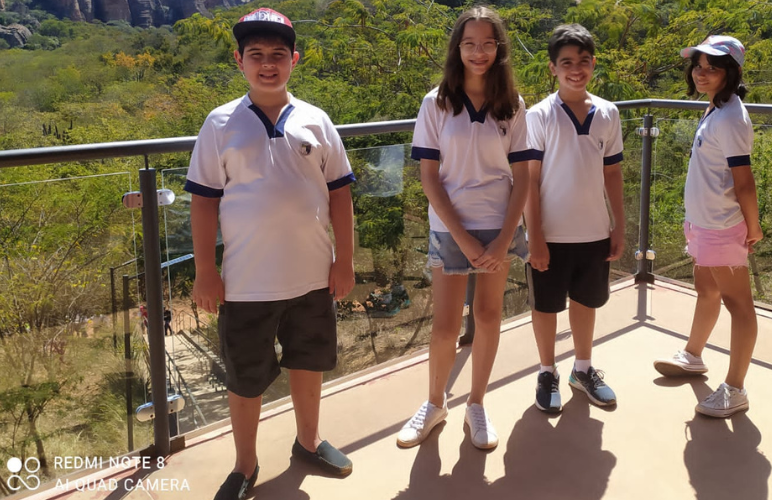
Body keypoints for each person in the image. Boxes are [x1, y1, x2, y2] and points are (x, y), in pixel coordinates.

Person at [185, 8, 356, 499]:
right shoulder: (220, 123)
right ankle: (245, 465)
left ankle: (309, 441)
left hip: (312, 276)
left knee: (308, 362)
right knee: (246, 377)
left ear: (294, 60)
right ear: (238, 60)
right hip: (246, 282)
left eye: (278, 54)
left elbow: (340, 194)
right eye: (255, 54)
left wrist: (344, 261)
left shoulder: (316, 120)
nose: (267, 64)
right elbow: (204, 201)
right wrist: (205, 272)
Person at [396, 6, 534, 451]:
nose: (479, 52)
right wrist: (461, 236)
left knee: (489, 316)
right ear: (457, 48)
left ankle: (477, 403)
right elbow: (429, 177)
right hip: (450, 228)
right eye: (470, 43)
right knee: (445, 324)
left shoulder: (512, 104)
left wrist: (504, 237)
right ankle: (435, 403)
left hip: (498, 225)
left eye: (488, 43)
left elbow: (523, 177)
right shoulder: (435, 103)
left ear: (499, 49)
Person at [653, 35, 763, 419]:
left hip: (721, 226)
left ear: (730, 72)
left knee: (739, 304)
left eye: (712, 67)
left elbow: (744, 181)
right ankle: (694, 355)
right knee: (707, 291)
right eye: (698, 66)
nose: (702, 73)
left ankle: (736, 387)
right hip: (703, 222)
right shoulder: (716, 107)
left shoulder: (731, 117)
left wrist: (753, 226)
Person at [523, 24, 626, 413]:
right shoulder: (538, 116)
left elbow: (612, 172)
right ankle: (546, 371)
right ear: (552, 68)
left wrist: (618, 224)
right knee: (545, 306)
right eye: (566, 62)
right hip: (549, 234)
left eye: (583, 61)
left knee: (586, 302)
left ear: (593, 64)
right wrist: (535, 236)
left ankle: (582, 369)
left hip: (594, 231)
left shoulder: (608, 113)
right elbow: (529, 180)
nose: (576, 69)